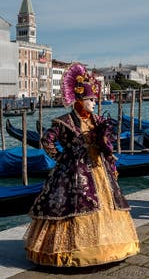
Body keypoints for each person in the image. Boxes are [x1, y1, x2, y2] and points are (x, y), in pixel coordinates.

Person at [24, 62, 140, 267]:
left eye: (94, 100)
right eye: (90, 100)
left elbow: (104, 143)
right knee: (72, 208)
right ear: (79, 100)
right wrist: (61, 157)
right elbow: (46, 140)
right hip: (73, 173)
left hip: (99, 170)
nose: (94, 104)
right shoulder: (64, 121)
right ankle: (72, 253)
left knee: (107, 206)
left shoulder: (96, 120)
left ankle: (105, 247)